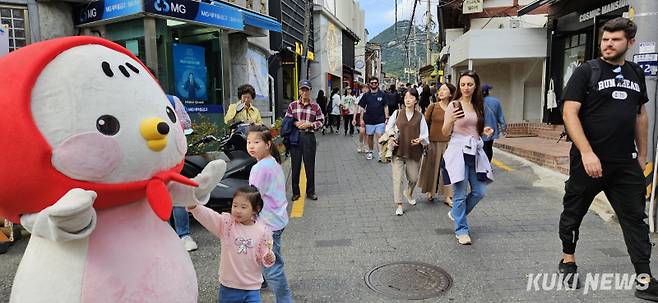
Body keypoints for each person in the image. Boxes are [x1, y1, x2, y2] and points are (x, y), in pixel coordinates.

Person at [557, 18, 658, 300]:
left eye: (615, 39)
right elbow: (569, 114)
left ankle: (644, 276)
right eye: (605, 39)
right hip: (588, 162)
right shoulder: (586, 71)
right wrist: (587, 152)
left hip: (626, 163)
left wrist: (643, 157)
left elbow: (640, 115)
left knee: (635, 219)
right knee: (574, 212)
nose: (608, 44)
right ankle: (568, 259)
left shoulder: (636, 73)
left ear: (630, 42)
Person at [186, 186, 276, 303]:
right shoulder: (227, 224)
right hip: (229, 287)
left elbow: (264, 254)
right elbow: (210, 216)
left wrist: (268, 257)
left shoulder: (262, 231)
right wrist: (195, 207)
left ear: (255, 209)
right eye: (235, 205)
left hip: (252, 287)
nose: (238, 210)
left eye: (243, 207)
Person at [442, 70, 494, 245]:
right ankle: (461, 230)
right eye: (463, 84)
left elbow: (476, 129)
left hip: (475, 150)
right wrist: (450, 120)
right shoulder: (454, 105)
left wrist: (484, 131)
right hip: (458, 150)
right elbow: (444, 131)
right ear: (459, 86)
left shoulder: (479, 105)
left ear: (475, 86)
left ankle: (457, 214)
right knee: (459, 194)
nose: (466, 87)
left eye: (470, 84)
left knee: (480, 191)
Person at [246, 125, 293, 302]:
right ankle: (263, 280)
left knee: (273, 265)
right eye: (249, 142)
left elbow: (253, 198)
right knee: (266, 257)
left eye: (256, 142)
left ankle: (285, 299)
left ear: (267, 144)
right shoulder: (272, 161)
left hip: (268, 225)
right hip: (277, 219)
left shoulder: (259, 168)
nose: (251, 146)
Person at [386, 88, 429, 216]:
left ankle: (409, 192)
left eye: (411, 97)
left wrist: (421, 140)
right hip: (398, 151)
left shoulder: (420, 116)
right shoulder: (397, 113)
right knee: (397, 179)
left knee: (414, 178)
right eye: (405, 97)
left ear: (416, 99)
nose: (408, 100)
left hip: (414, 152)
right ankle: (399, 204)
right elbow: (389, 127)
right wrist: (391, 136)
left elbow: (425, 134)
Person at [167, 94, 198, 251]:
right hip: (151, 159)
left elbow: (186, 123)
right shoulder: (173, 100)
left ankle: (183, 234)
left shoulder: (172, 100)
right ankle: (168, 235)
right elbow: (186, 122)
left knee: (176, 193)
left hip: (173, 155)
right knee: (159, 195)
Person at [286, 80, 324, 201]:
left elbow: (321, 120)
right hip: (295, 137)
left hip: (309, 137)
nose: (305, 92)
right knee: (295, 165)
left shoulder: (315, 106)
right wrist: (296, 122)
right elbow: (287, 120)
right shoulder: (292, 105)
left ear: (310, 91)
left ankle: (310, 192)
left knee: (309, 165)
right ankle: (296, 192)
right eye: (302, 89)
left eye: (307, 89)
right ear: (299, 91)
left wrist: (310, 124)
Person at [418, 83, 456, 206]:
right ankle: (430, 191)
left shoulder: (454, 107)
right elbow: (424, 124)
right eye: (440, 90)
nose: (441, 92)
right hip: (433, 142)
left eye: (444, 90)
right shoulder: (433, 106)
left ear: (450, 93)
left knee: (449, 170)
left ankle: (448, 196)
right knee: (432, 168)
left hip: (450, 143)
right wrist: (424, 140)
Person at [358, 77, 389, 160]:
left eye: (375, 83)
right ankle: (370, 151)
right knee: (370, 137)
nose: (374, 84)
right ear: (369, 84)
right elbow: (362, 108)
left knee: (379, 136)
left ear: (378, 84)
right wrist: (361, 119)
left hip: (380, 119)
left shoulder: (382, 94)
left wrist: (387, 118)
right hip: (369, 120)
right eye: (372, 83)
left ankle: (380, 153)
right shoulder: (366, 95)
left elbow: (386, 106)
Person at [481, 84, 507, 161]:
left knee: (481, 148)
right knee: (489, 147)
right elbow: (500, 116)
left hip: (480, 129)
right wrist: (503, 128)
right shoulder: (496, 101)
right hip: (492, 128)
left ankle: (482, 166)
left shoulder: (477, 102)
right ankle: (488, 165)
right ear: (488, 92)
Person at [353, 85, 369, 153]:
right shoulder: (359, 97)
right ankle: (360, 144)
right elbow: (356, 109)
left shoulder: (370, 96)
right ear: (361, 89)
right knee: (362, 131)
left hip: (369, 116)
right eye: (363, 88)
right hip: (361, 116)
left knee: (367, 133)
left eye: (366, 88)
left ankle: (365, 146)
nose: (365, 89)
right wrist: (354, 118)